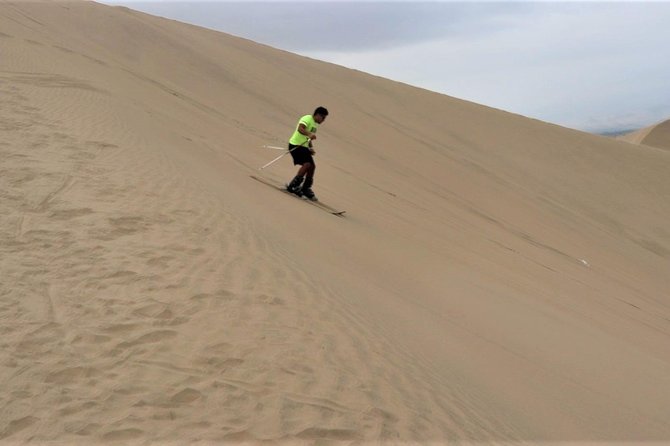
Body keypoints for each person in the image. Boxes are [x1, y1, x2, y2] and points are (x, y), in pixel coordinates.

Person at [286, 106, 329, 201]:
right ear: (317, 115)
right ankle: (293, 185)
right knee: (307, 164)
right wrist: (309, 134)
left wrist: (311, 147)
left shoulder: (315, 124)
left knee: (312, 166)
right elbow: (300, 129)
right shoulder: (307, 118)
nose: (323, 120)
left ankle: (305, 188)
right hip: (295, 145)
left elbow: (308, 138)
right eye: (323, 117)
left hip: (304, 147)